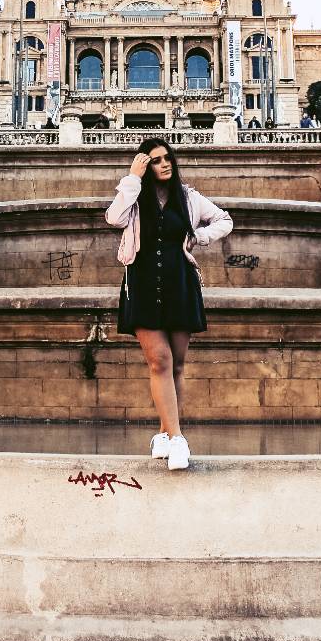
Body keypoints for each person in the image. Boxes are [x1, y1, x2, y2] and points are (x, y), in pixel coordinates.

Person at [105, 137, 232, 470]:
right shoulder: (134, 196)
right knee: (159, 360)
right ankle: (178, 440)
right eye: (156, 160)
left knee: (176, 365)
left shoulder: (187, 197)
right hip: (143, 283)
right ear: (145, 166)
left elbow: (224, 220)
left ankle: (163, 433)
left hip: (179, 283)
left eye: (167, 159)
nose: (164, 164)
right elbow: (113, 218)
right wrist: (132, 177)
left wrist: (198, 237)